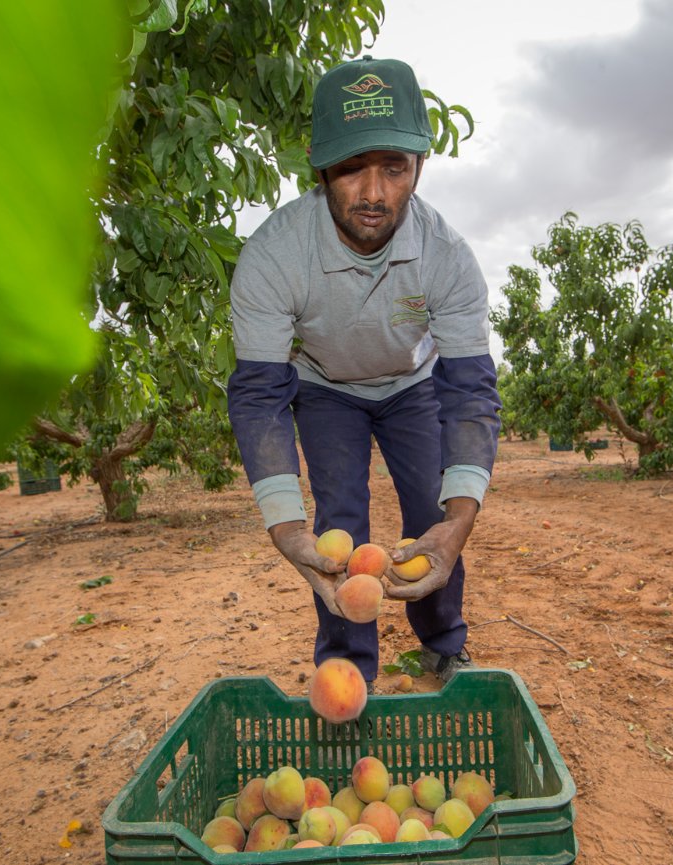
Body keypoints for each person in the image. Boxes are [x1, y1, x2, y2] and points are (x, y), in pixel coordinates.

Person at [226, 56, 501, 688]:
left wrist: (458, 524)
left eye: (393, 169)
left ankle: (443, 645)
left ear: (419, 168)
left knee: (430, 517)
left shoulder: (448, 258)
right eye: (351, 169)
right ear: (319, 168)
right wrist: (285, 529)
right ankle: (348, 671)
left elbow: (469, 391)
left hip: (413, 386)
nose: (373, 194)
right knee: (339, 526)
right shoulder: (274, 257)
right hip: (325, 389)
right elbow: (261, 395)